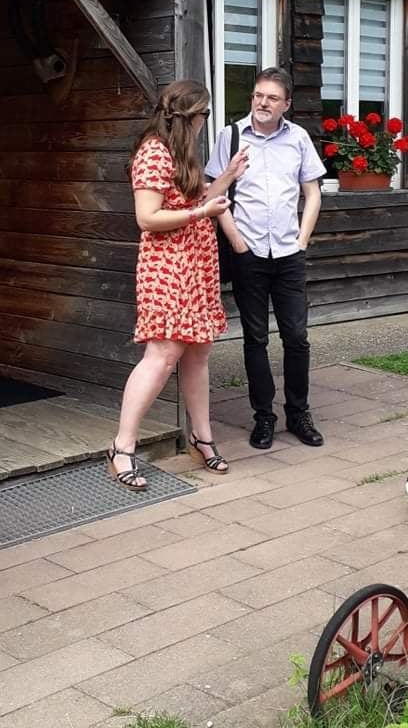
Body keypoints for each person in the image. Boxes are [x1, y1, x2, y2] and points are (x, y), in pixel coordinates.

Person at [107, 79, 249, 490]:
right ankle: (122, 447)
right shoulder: (153, 151)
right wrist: (200, 213)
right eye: (205, 114)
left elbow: (194, 200)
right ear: (189, 117)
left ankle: (201, 438)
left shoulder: (180, 150)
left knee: (199, 352)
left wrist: (227, 177)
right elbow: (147, 217)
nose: (206, 121)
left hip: (196, 263)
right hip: (167, 266)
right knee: (162, 354)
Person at [206, 67, 325, 450]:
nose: (262, 102)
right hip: (250, 254)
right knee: (255, 339)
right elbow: (214, 193)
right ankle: (263, 418)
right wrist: (237, 243)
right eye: (258, 95)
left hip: (289, 255)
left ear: (286, 104)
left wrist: (302, 240)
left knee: (297, 337)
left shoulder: (299, 138)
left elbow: (313, 193)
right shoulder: (231, 136)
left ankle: (298, 413)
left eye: (272, 97)